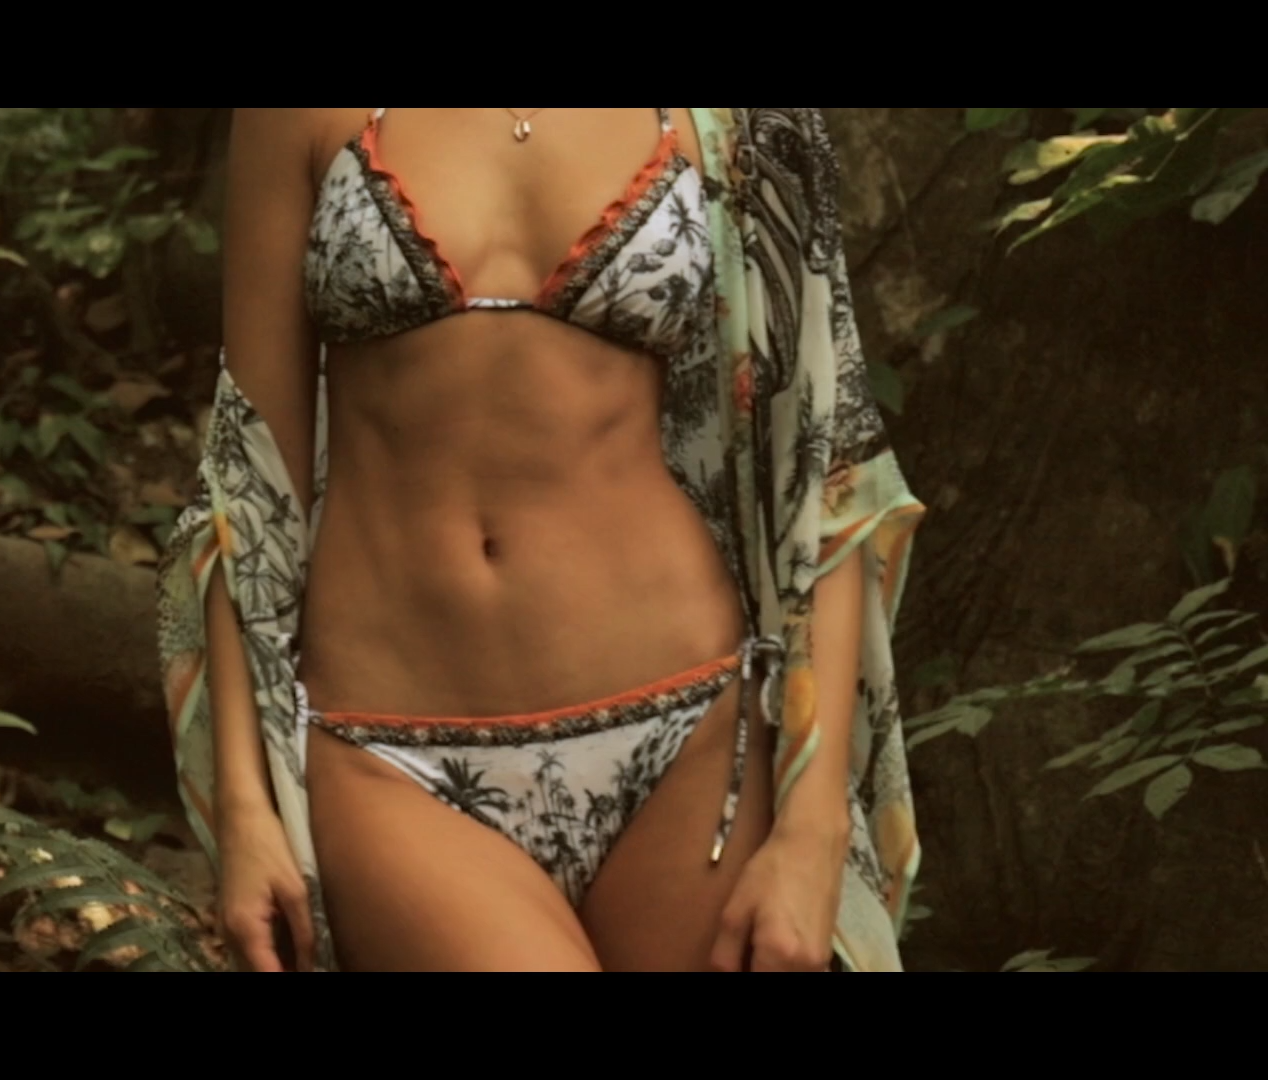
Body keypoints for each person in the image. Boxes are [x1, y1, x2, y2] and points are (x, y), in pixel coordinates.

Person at [156, 108, 927, 972]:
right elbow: (250, 476)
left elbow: (824, 463)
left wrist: (814, 830)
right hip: (388, 753)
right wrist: (245, 808)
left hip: (696, 734)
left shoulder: (742, 118)